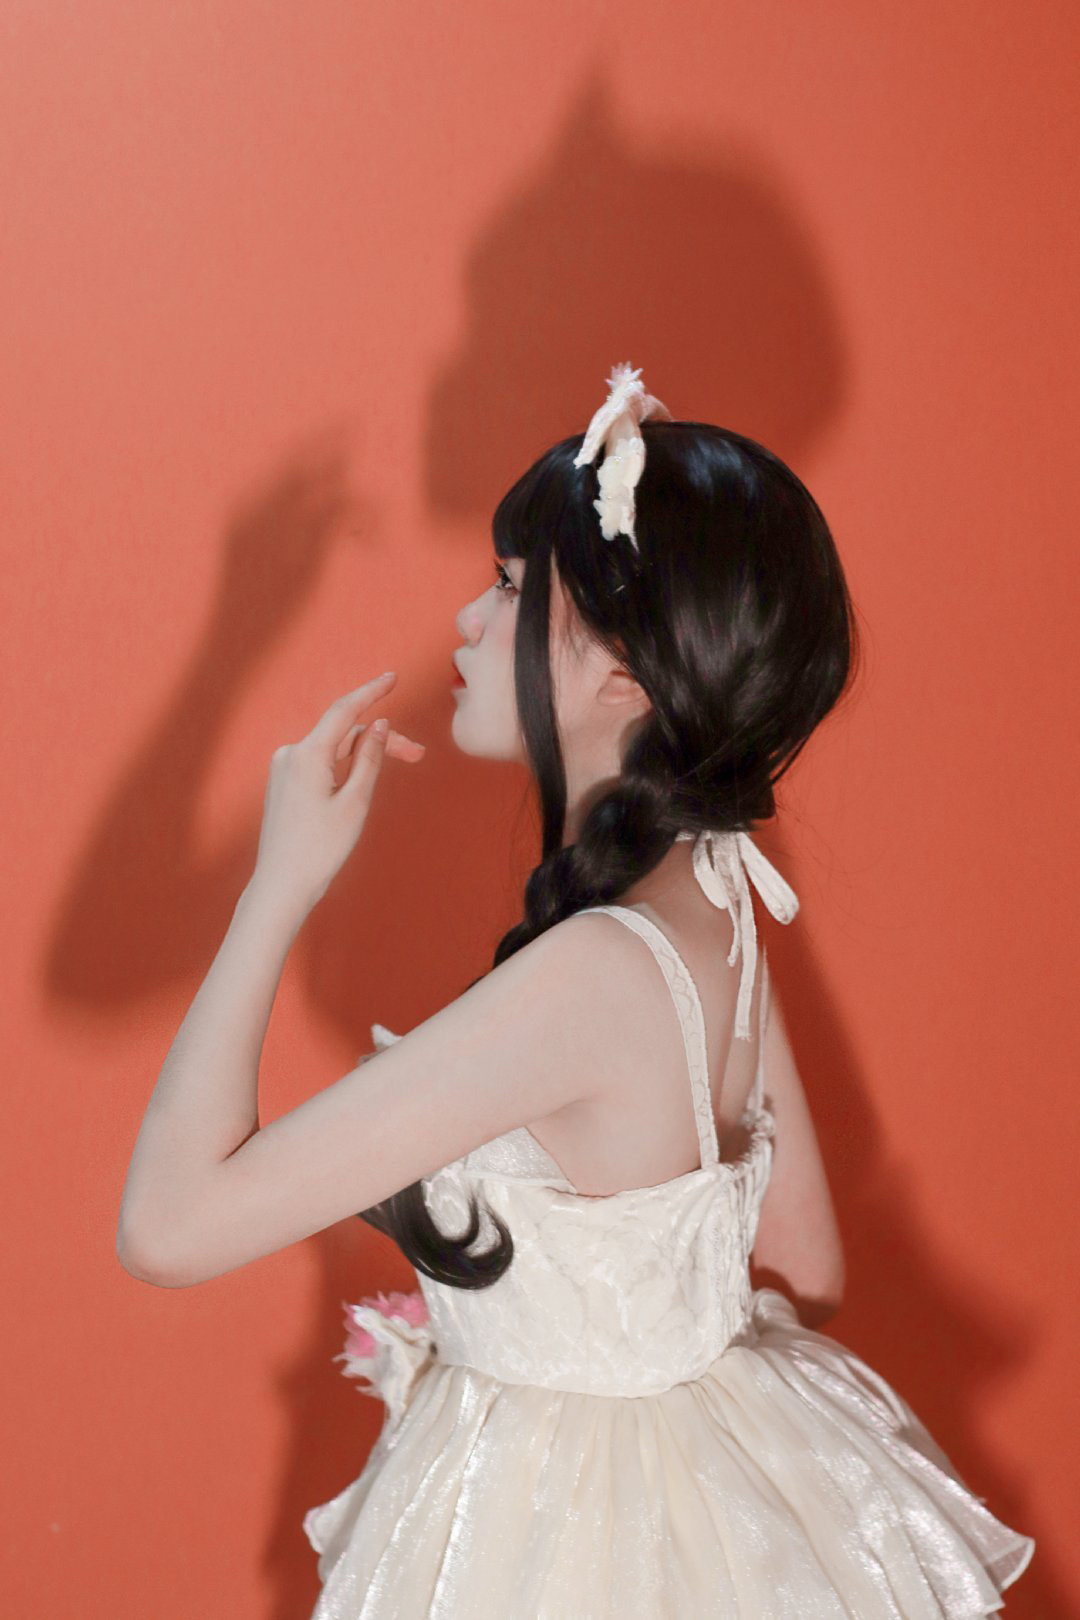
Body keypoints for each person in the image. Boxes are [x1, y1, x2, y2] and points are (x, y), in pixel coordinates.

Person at [118, 364, 1036, 1616]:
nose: (466, 619)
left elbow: (168, 1228)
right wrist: (584, 1326)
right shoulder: (716, 889)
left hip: (559, 1547)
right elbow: (805, 1268)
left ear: (624, 673)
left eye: (508, 588)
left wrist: (276, 887)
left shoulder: (590, 975)